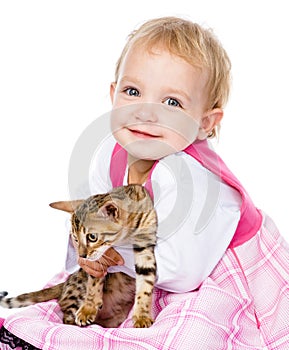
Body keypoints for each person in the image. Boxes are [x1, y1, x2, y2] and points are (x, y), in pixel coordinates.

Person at [1, 16, 289, 350]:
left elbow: (184, 272)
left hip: (215, 275)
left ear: (204, 123)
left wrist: (116, 255)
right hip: (149, 268)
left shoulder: (186, 174)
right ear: (113, 94)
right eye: (133, 91)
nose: (145, 113)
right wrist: (91, 257)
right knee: (73, 296)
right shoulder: (110, 152)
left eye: (172, 103)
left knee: (192, 333)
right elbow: (88, 221)